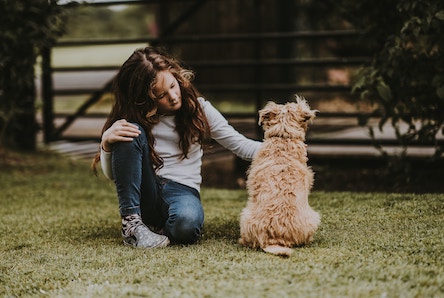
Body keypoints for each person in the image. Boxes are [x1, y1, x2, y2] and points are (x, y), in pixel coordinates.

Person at [92, 46, 262, 249]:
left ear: (177, 76)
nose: (173, 96)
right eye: (161, 95)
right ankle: (132, 226)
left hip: (183, 190)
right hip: (147, 188)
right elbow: (114, 176)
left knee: (186, 226)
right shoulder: (133, 120)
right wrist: (106, 144)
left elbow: (240, 145)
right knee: (128, 131)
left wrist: (284, 148)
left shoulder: (200, 110)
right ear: (145, 99)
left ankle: (155, 230)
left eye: (173, 86)